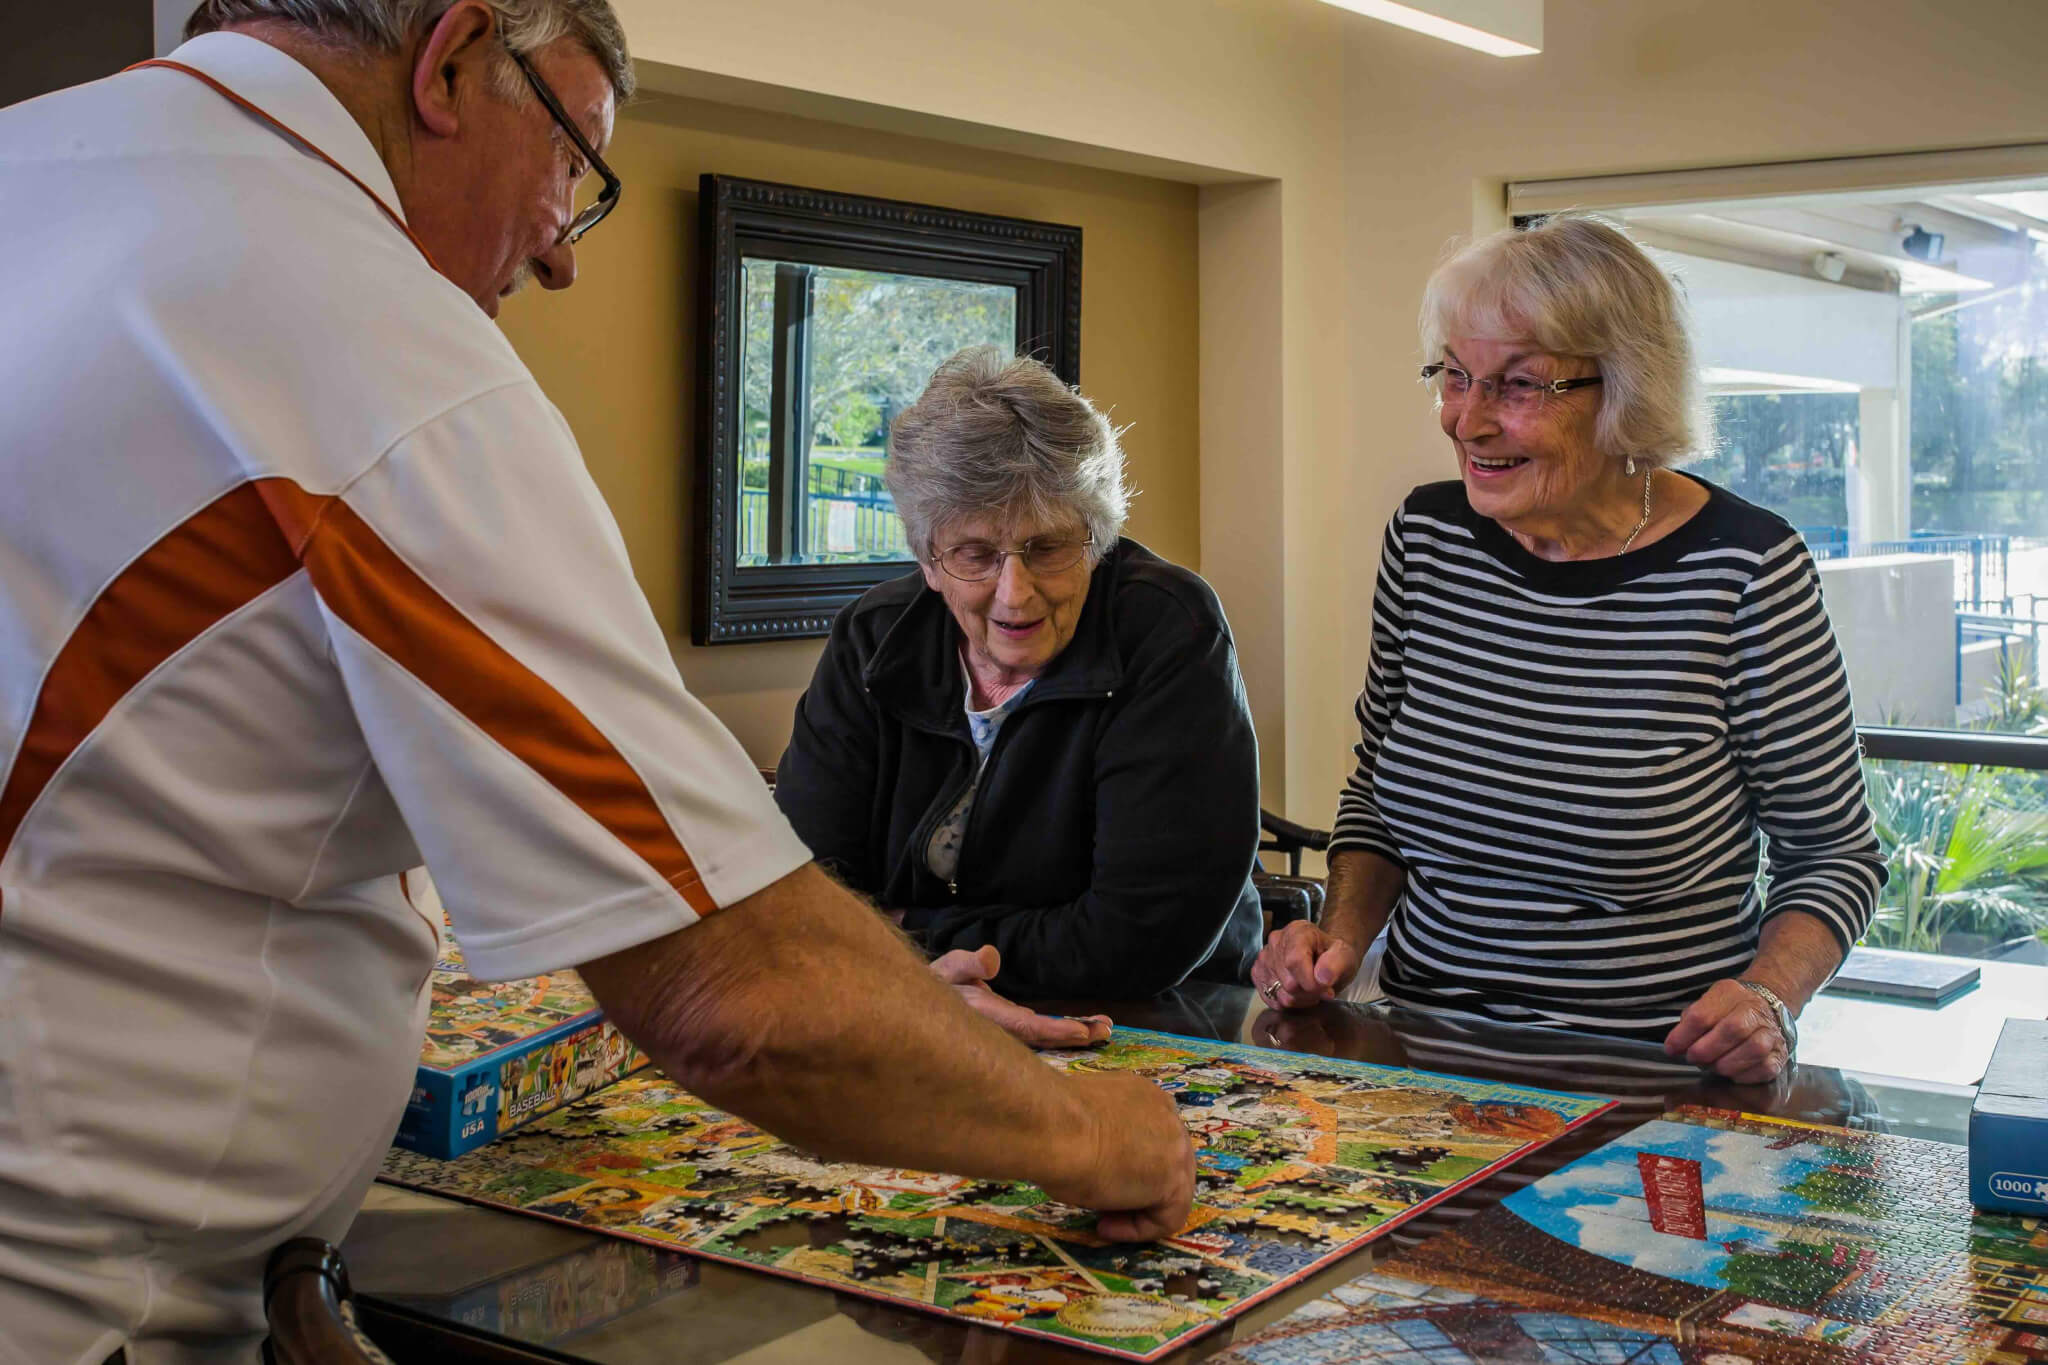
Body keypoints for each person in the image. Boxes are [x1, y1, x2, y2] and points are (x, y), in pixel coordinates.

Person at [0, 5, 1190, 1360]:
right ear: (451, 61)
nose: (565, 245)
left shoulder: (39, 163)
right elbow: (741, 995)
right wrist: (1090, 1130)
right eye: (574, 158)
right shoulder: (374, 343)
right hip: (82, 1296)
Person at [1252, 215, 1886, 1085]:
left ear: (1625, 391)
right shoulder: (1428, 538)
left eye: (1516, 386)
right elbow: (1379, 791)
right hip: (1417, 1060)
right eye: (1454, 376)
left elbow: (1834, 854)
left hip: (1651, 1076)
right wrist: (1340, 936)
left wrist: (1766, 996)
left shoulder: (1743, 568)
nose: (1465, 420)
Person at [774, 347, 1264, 1016]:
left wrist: (906, 936)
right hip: (913, 1012)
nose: (1015, 594)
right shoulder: (872, 641)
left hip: (1164, 1017)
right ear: (928, 558)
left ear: (1095, 538)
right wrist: (934, 975)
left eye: (1048, 548)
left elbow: (1138, 939)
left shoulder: (1169, 631)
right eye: (976, 554)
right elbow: (800, 895)